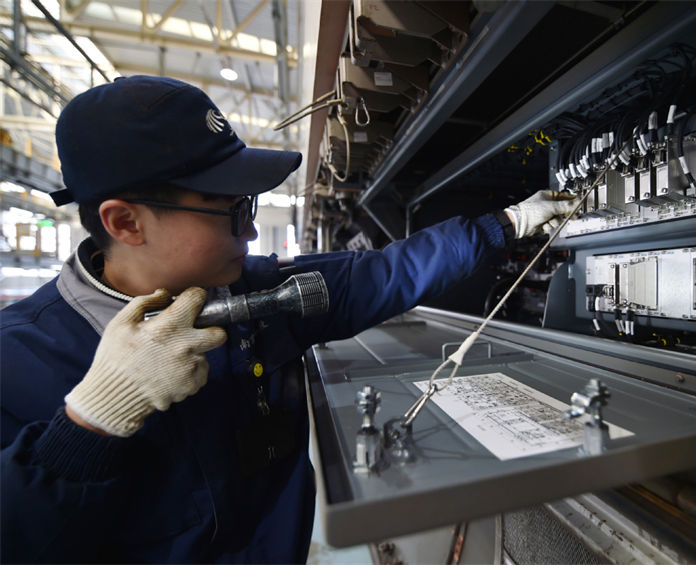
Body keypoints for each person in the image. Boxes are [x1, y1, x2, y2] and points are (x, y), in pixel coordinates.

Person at [0, 75, 579, 563]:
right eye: (232, 211)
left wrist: (506, 224)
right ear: (126, 222)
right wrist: (93, 422)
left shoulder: (260, 294)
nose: (252, 231)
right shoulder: (19, 361)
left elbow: (379, 274)